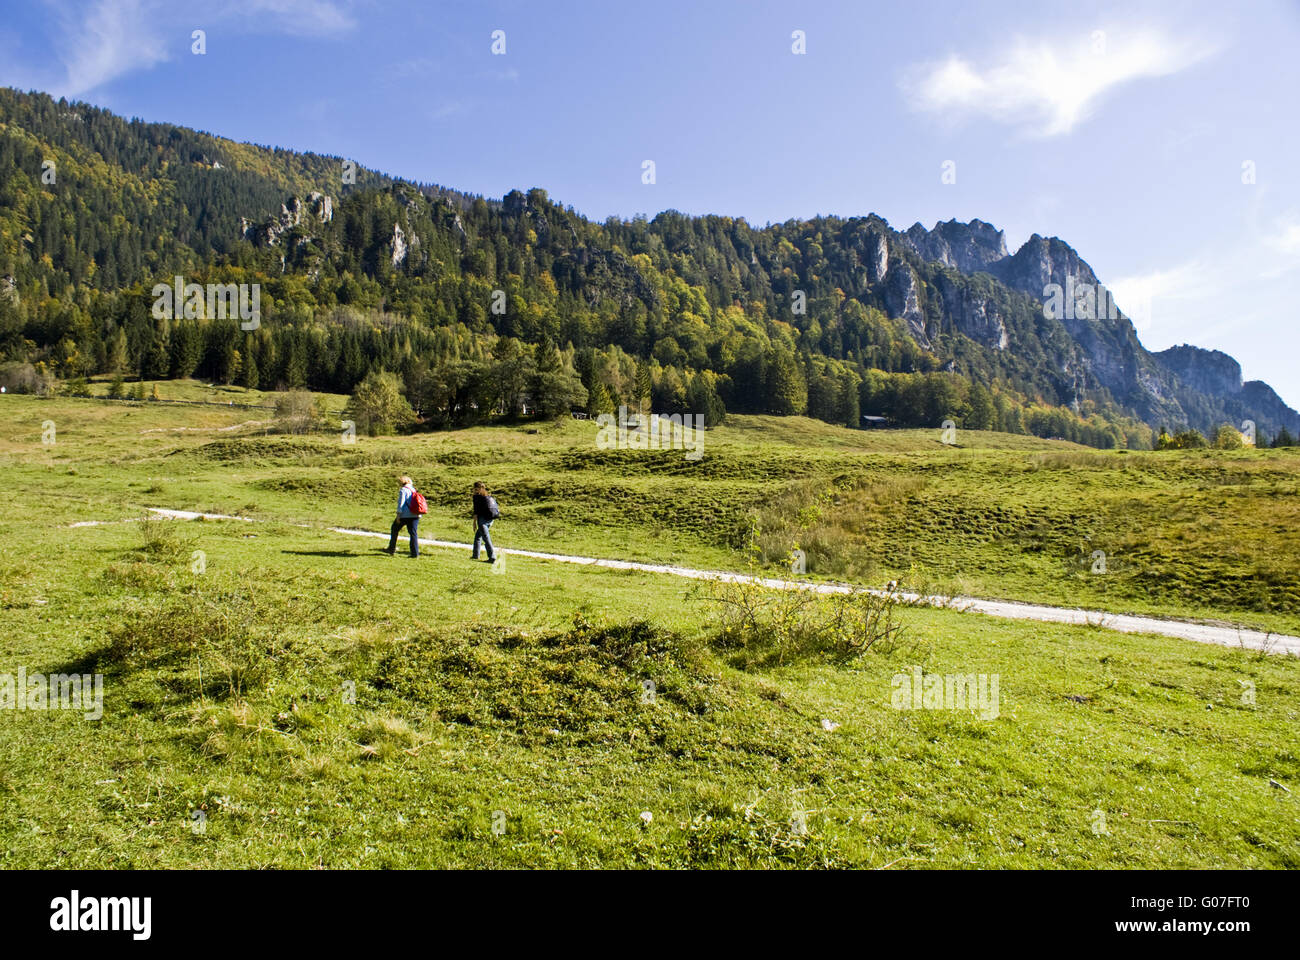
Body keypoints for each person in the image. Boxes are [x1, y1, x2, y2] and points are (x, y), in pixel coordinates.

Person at [386, 476, 420, 557]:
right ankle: (415, 553)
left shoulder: (403, 490)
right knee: (413, 534)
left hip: (405, 515)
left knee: (394, 529)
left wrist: (398, 515)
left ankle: (391, 549)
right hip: (415, 514)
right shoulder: (413, 490)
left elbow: (401, 504)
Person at [471, 481, 497, 563]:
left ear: (481, 488)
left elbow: (476, 511)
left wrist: (474, 523)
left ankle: (492, 557)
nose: (475, 491)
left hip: (482, 520)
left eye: (476, 489)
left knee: (486, 538)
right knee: (478, 536)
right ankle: (475, 555)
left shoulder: (476, 497)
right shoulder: (488, 496)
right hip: (490, 520)